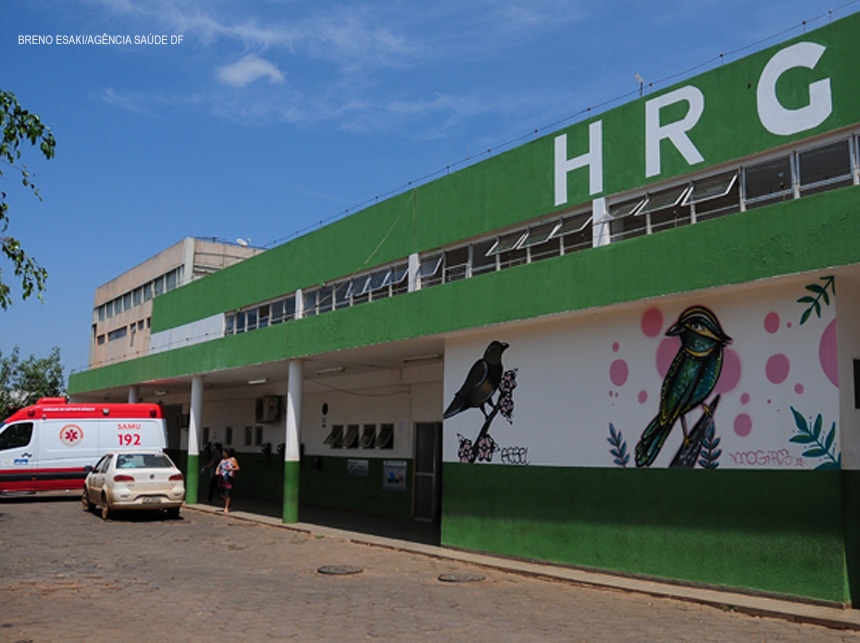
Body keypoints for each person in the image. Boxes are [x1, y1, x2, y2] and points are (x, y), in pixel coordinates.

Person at [217, 448, 240, 513]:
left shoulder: (232, 459)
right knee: (220, 491)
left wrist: (231, 469)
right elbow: (219, 466)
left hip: (229, 477)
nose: (223, 454)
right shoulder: (222, 460)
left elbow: (237, 468)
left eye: (224, 452)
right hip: (222, 477)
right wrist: (217, 471)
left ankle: (226, 507)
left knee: (227, 492)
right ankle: (227, 502)